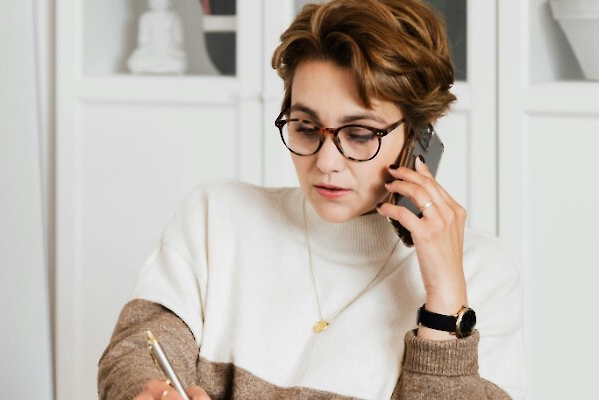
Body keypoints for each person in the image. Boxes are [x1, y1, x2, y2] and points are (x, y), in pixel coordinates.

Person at [99, 0, 526, 398]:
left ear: (419, 136)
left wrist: (444, 304)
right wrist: (147, 389)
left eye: (359, 134)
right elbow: (138, 349)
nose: (326, 162)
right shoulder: (217, 218)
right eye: (305, 126)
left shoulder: (479, 272)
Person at [127, 0, 188, 75]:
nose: (159, 2)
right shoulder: (146, 18)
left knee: (179, 64)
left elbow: (178, 40)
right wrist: (145, 50)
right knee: (134, 63)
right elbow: (143, 41)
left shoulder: (173, 18)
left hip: (168, 54)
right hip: (150, 53)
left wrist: (173, 50)